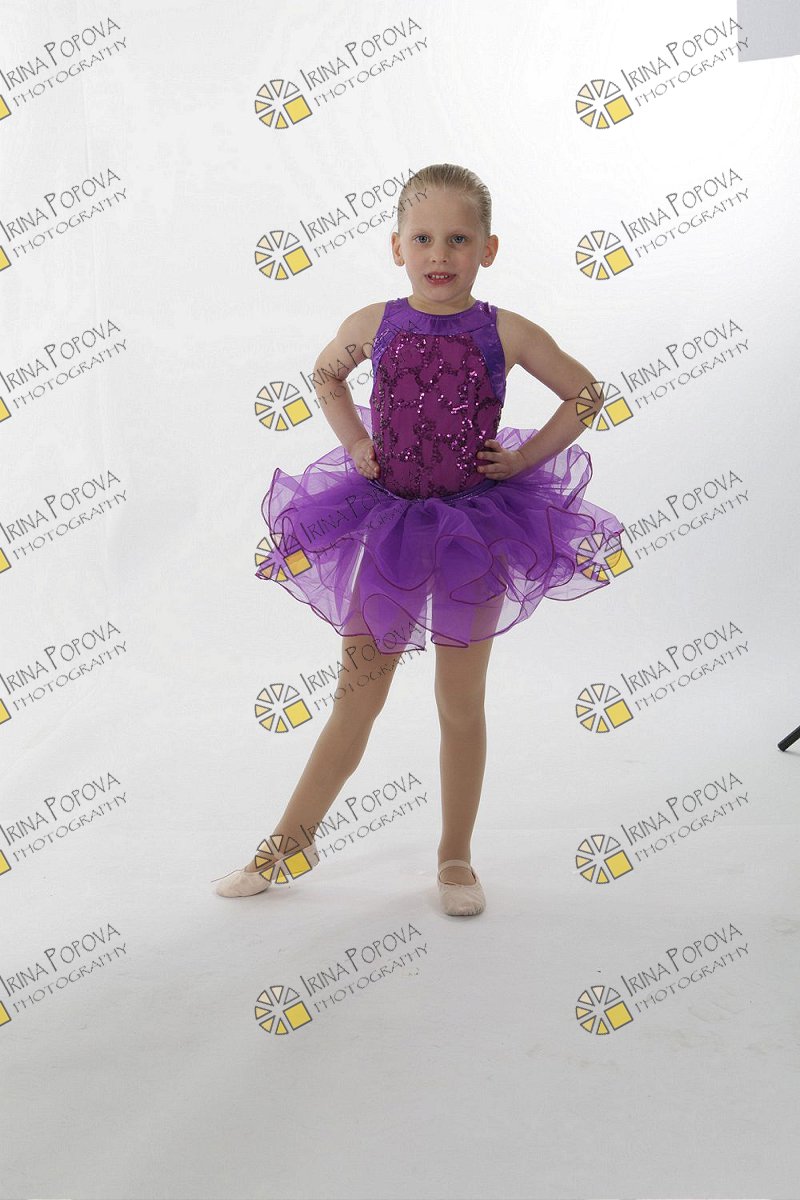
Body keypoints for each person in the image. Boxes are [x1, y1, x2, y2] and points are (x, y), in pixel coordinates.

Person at [212, 162, 624, 915]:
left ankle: (455, 857)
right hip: (391, 527)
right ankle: (287, 842)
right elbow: (326, 377)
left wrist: (526, 459)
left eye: (459, 239)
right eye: (424, 238)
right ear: (396, 246)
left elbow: (586, 393)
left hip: (477, 531)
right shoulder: (373, 324)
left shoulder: (506, 331)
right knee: (356, 697)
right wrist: (356, 442)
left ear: (488, 249)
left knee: (459, 702)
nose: (441, 254)